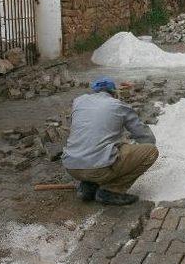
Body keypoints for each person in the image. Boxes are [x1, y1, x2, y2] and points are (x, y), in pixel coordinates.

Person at [61, 77, 159, 206]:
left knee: (99, 148)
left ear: (94, 91)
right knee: (151, 152)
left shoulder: (78, 102)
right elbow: (144, 135)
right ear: (114, 92)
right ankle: (111, 190)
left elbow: (80, 133)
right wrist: (138, 154)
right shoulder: (117, 105)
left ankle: (87, 186)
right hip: (98, 169)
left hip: (71, 166)